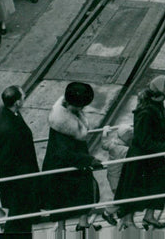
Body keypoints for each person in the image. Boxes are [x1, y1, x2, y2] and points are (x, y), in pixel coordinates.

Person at [115, 76, 165, 230]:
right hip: (141, 157)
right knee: (136, 190)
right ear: (158, 95)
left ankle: (149, 216)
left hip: (152, 156)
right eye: (164, 96)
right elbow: (144, 141)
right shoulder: (146, 112)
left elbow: (155, 125)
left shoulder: (156, 105)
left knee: (157, 186)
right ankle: (128, 221)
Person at [41, 82, 104, 231]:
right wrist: (89, 160)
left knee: (80, 192)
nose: (83, 109)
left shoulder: (63, 114)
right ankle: (64, 229)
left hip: (69, 164)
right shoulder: (62, 123)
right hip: (64, 166)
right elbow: (64, 152)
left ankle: (81, 223)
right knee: (65, 197)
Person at [0, 85, 42, 233]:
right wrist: (24, 176)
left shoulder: (6, 113)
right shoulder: (8, 128)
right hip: (19, 180)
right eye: (23, 97)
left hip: (21, 176)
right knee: (18, 214)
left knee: (22, 213)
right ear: (17, 103)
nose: (24, 98)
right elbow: (5, 159)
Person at [100, 123, 134, 225]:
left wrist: (104, 132)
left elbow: (104, 144)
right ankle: (107, 212)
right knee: (122, 198)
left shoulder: (113, 144)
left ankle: (122, 215)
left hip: (112, 176)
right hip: (118, 179)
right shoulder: (124, 150)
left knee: (122, 196)